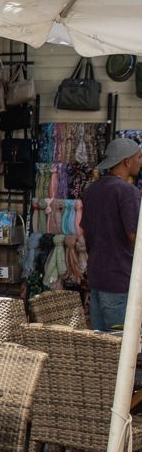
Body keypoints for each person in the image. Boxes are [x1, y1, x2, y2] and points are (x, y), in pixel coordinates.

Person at [80, 137, 142, 332]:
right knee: (121, 344)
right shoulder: (127, 192)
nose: (141, 161)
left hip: (97, 276)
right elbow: (134, 236)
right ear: (127, 161)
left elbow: (84, 231)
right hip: (119, 279)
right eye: (139, 157)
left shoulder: (92, 190)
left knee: (102, 347)